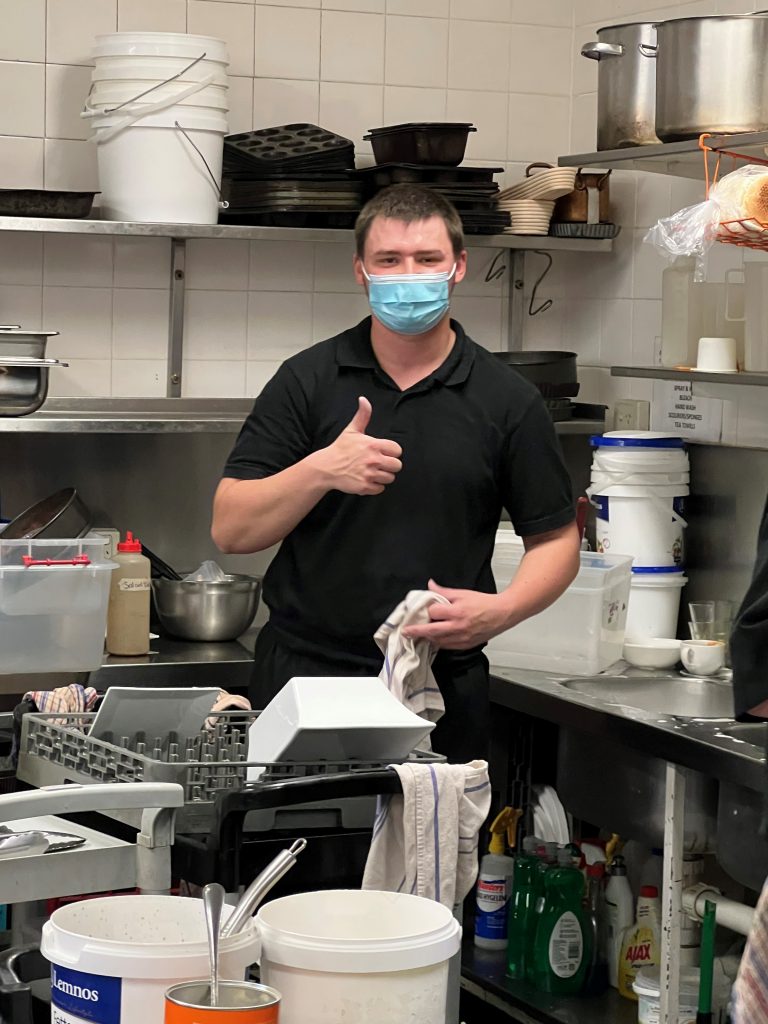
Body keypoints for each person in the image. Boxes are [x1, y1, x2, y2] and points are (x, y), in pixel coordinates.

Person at [212, 184, 580, 762]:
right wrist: (320, 470)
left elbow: (556, 538)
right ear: (361, 271)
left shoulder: (507, 400)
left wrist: (502, 610)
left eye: (427, 259)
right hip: (307, 678)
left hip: (443, 682)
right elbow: (232, 531)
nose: (408, 275)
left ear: (459, 267)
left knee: (432, 852)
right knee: (301, 850)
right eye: (389, 260)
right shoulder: (307, 381)